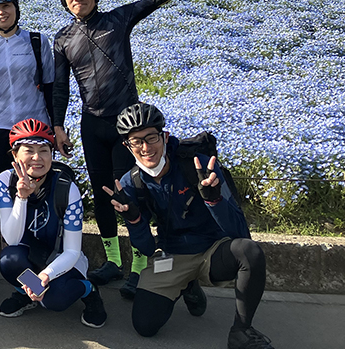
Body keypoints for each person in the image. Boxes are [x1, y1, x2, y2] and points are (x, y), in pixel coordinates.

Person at [52, 0, 228, 292]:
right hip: (91, 123)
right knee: (104, 195)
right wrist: (58, 126)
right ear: (65, 0)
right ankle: (113, 260)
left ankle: (140, 264)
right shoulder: (62, 38)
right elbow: (60, 87)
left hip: (126, 125)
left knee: (131, 195)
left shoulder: (117, 20)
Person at [108, 103, 272, 349]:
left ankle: (242, 331)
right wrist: (133, 219)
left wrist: (213, 199)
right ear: (127, 146)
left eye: (151, 137)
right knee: (145, 326)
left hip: (214, 249)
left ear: (164, 136)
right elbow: (145, 246)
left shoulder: (200, 165)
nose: (145, 147)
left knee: (249, 251)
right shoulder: (130, 183)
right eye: (136, 141)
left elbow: (240, 232)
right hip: (172, 255)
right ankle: (188, 285)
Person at [0, 119, 107, 327]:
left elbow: (72, 252)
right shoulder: (5, 181)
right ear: (15, 155)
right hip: (30, 254)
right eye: (28, 150)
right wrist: (21, 197)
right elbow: (12, 239)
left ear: (52, 154)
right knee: (9, 260)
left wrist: (46, 275)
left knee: (55, 300)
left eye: (44, 150)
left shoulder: (67, 189)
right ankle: (29, 293)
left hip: (64, 259)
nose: (37, 158)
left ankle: (89, 290)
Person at [0, 0, 55, 181]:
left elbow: (51, 87)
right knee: (3, 186)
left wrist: (57, 128)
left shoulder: (37, 41)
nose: (1, 12)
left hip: (35, 124)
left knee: (38, 186)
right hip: (0, 126)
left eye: (6, 6)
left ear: (16, 9)